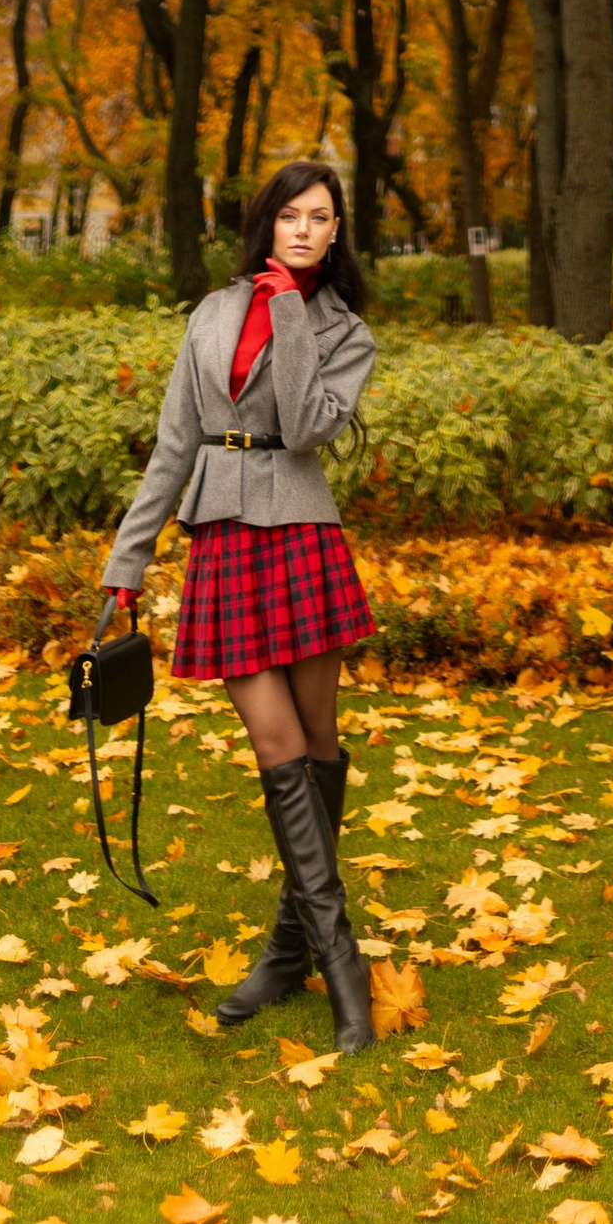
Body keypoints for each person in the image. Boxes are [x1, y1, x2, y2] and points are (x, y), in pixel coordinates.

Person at [98, 159, 380, 1048]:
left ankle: (292, 949)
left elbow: (303, 426)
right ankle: (341, 967)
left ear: (337, 234)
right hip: (222, 536)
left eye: (320, 219)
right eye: (289, 216)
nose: (303, 230)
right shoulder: (212, 314)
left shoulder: (346, 332)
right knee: (277, 743)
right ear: (266, 225)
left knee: (320, 746)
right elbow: (173, 443)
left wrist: (292, 310)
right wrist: (127, 561)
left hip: (301, 536)